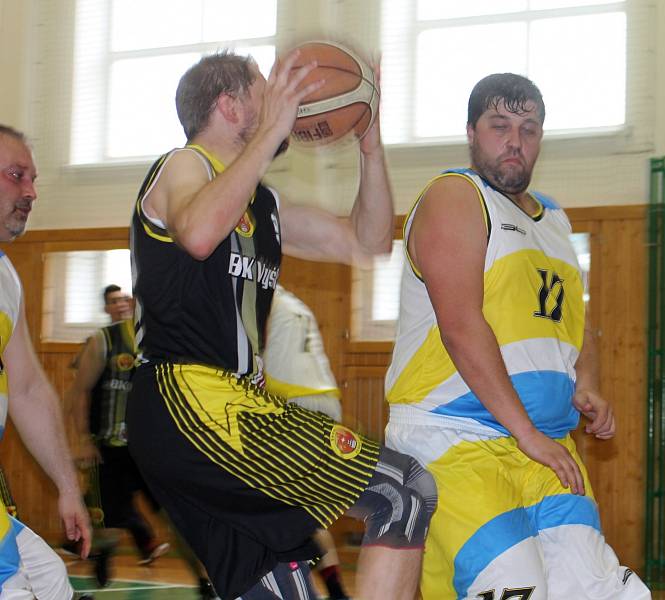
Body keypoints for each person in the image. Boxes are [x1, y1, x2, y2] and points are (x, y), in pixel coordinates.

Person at [127, 51, 436, 600]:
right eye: (266, 94)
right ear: (229, 106)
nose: (283, 106)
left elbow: (369, 241)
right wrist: (271, 132)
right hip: (189, 401)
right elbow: (198, 234)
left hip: (232, 410)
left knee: (278, 588)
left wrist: (371, 144)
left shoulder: (262, 204)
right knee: (403, 490)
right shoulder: (184, 164)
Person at [384, 74, 652, 599]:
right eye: (499, 125)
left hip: (543, 446)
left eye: (529, 129)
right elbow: (461, 327)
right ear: (471, 132)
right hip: (453, 440)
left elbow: (574, 324)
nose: (515, 140)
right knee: (513, 588)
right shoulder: (455, 197)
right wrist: (525, 432)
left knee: (606, 591)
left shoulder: (553, 218)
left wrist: (585, 384)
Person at [0, 124, 92, 598]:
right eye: (16, 175)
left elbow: (29, 388)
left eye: (33, 179)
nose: (31, 191)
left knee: (52, 579)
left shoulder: (6, 277)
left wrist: (68, 487)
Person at [66, 285, 172, 585]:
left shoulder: (163, 341)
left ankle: (205, 582)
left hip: (152, 450)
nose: (127, 305)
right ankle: (102, 566)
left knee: (174, 516)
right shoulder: (104, 340)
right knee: (109, 519)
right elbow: (79, 391)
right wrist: (84, 439)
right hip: (111, 447)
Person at [263, 285, 349, 600]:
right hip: (325, 404)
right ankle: (336, 589)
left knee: (274, 508)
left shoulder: (256, 299)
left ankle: (293, 586)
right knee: (304, 510)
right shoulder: (292, 301)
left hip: (291, 405)